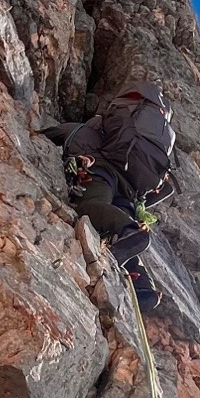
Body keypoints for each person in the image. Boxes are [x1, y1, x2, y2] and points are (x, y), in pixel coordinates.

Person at [42, 80, 176, 311]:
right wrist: (142, 201)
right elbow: (167, 188)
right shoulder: (145, 141)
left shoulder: (87, 128)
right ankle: (143, 286)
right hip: (129, 193)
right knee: (122, 238)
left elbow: (52, 134)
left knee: (91, 206)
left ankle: (130, 230)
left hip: (100, 173)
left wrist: (37, 133)